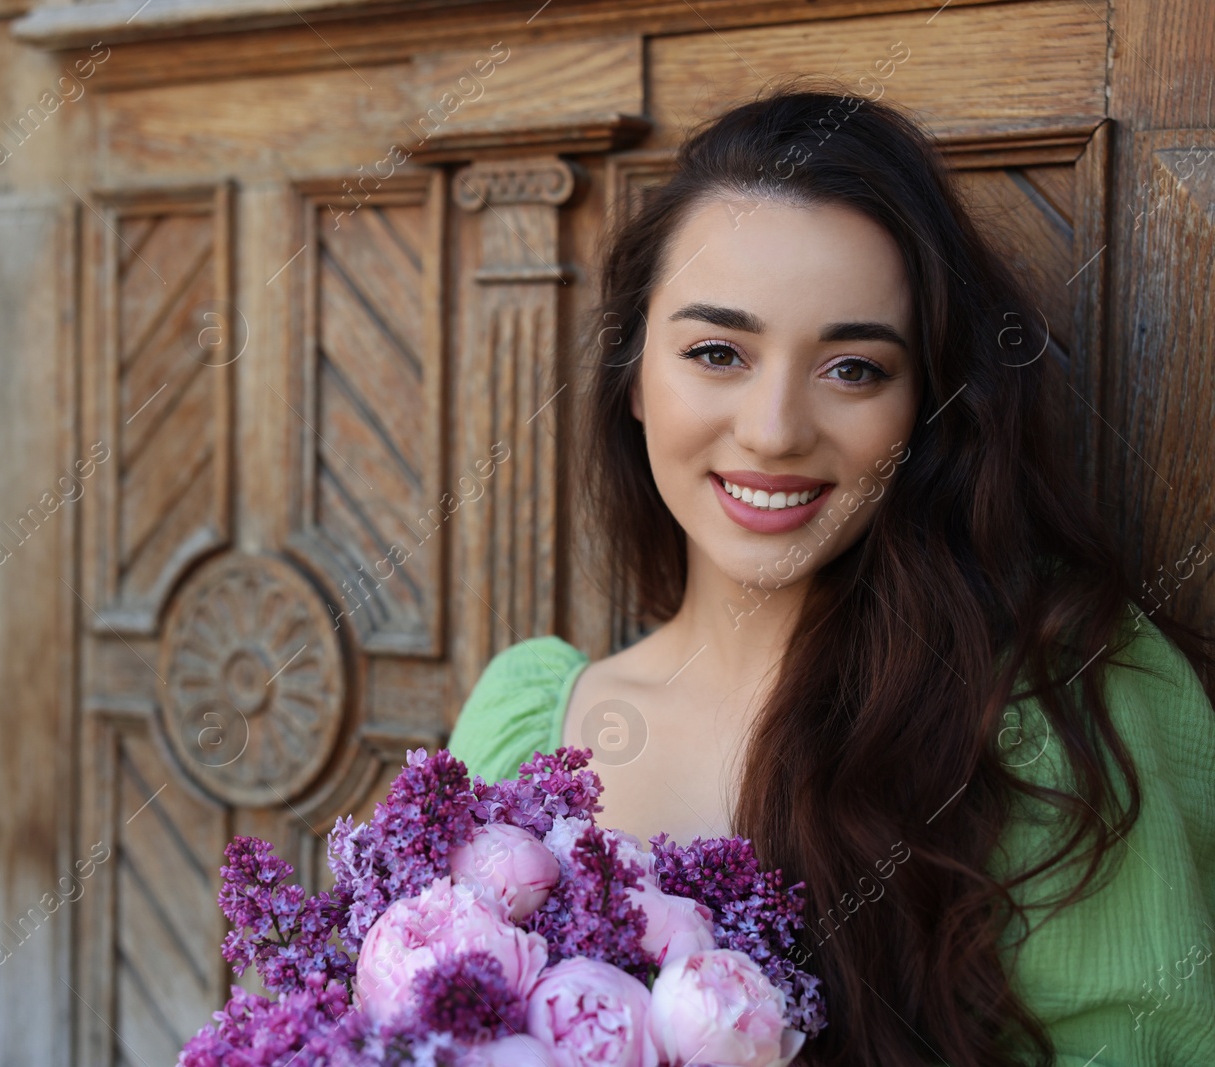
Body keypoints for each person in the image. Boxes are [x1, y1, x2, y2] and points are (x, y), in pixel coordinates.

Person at [447, 88, 1215, 1066]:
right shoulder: (521, 727)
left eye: (852, 367)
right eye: (717, 351)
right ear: (636, 376)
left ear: (926, 406)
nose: (774, 429)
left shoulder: (1044, 706)